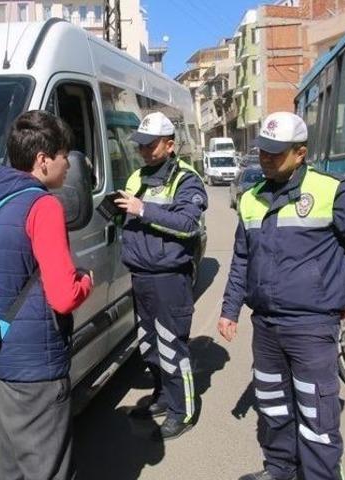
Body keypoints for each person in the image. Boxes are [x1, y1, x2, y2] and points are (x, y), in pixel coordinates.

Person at [217, 112, 345, 480]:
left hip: (311, 326)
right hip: (267, 327)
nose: (265, 159)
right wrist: (230, 309)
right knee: (273, 406)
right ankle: (280, 470)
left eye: (275, 153)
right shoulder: (250, 199)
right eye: (262, 151)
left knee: (316, 415)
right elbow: (242, 258)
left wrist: (344, 295)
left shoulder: (331, 191)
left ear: (300, 153)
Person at [0, 110, 93, 479]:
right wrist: (85, 279)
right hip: (38, 364)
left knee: (12, 467)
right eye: (63, 157)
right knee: (48, 469)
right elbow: (63, 297)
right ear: (42, 160)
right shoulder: (43, 206)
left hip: (3, 356)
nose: (69, 166)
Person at [114, 111, 207, 440]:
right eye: (139, 145)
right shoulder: (138, 175)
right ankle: (164, 397)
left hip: (169, 278)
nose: (142, 151)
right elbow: (131, 212)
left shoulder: (187, 179)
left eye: (149, 146)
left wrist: (144, 210)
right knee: (149, 346)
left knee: (172, 346)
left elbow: (189, 224)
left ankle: (183, 411)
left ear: (169, 145)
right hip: (141, 276)